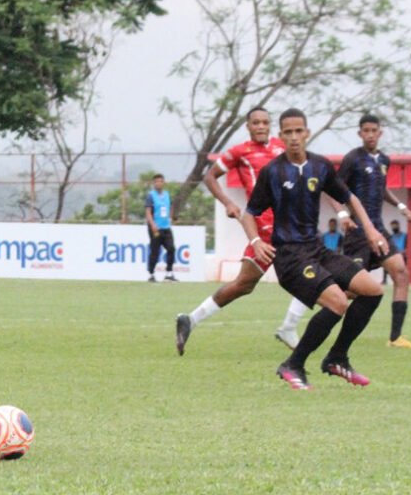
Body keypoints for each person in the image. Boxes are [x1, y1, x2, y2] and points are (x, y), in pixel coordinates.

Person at [243, 108, 387, 390]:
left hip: (317, 250)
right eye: (288, 132)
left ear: (307, 133)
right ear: (281, 136)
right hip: (289, 257)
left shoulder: (320, 166)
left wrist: (370, 230)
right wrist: (256, 241)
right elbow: (250, 213)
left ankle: (337, 357)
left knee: (372, 290)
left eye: (299, 131)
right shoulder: (273, 171)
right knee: (337, 302)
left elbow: (349, 197)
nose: (294, 137)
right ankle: (293, 363)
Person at [175, 107, 310, 355]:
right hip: (265, 230)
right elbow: (210, 176)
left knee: (244, 284)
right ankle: (289, 328)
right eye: (255, 122)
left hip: (288, 226)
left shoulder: (283, 147)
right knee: (312, 276)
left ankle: (190, 319)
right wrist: (228, 203)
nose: (260, 126)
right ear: (248, 127)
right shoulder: (240, 152)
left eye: (265, 122)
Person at [323, 115, 411, 348]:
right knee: (352, 291)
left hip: (379, 229)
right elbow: (333, 189)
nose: (370, 134)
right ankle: (309, 319)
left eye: (374, 130)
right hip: (357, 232)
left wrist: (401, 206)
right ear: (360, 134)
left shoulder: (384, 160)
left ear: (380, 133)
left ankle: (395, 338)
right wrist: (343, 214)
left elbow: (382, 188)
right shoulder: (352, 159)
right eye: (366, 130)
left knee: (401, 273)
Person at [145, 174, 176, 282]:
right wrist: (152, 224)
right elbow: (148, 212)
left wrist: (170, 218)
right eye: (157, 181)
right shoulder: (151, 195)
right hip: (156, 228)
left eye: (161, 181)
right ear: (154, 183)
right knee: (155, 251)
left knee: (171, 248)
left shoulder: (167, 195)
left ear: (163, 183)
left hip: (166, 227)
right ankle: (151, 273)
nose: (159, 183)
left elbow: (170, 207)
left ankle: (169, 273)